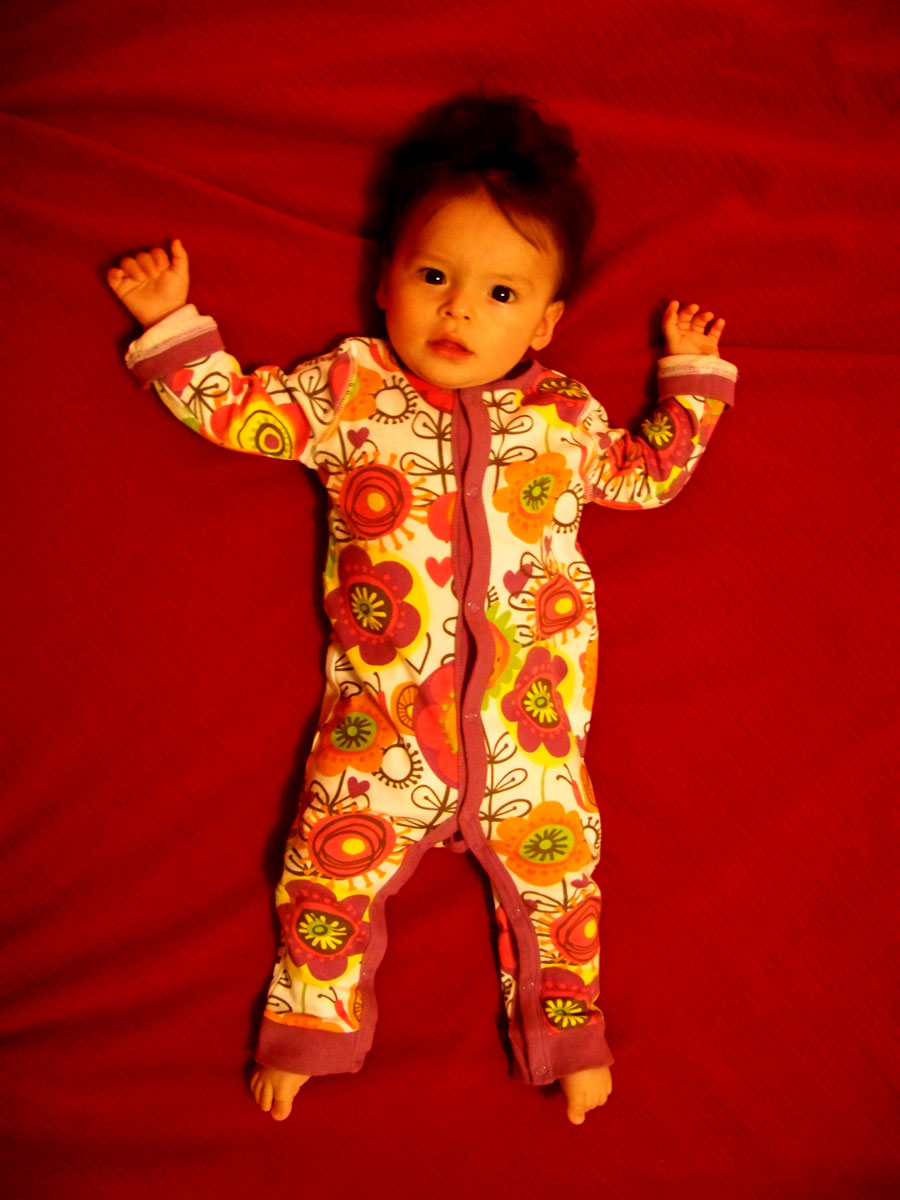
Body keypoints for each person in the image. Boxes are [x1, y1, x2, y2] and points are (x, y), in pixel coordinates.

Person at [107, 93, 736, 1126]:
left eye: (500, 292)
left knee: (565, 888)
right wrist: (173, 325)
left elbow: (645, 476)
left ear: (544, 324)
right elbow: (244, 412)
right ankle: (308, 1029)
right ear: (385, 280)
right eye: (434, 277)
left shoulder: (564, 417)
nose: (460, 312)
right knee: (323, 869)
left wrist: (693, 386)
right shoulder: (350, 389)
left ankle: (571, 1039)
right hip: (382, 727)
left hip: (531, 739)